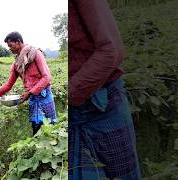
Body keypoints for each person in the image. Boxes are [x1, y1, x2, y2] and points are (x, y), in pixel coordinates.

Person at [69, 0, 141, 179]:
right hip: (72, 112)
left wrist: (70, 92)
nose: (9, 48)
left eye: (10, 44)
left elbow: (111, 50)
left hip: (102, 104)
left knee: (122, 174)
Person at [0, 31, 57, 135]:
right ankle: (38, 148)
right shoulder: (16, 64)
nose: (9, 49)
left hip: (45, 96)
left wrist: (30, 92)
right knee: (36, 126)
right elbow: (8, 84)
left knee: (50, 126)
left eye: (11, 45)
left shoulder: (36, 54)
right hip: (33, 98)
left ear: (18, 42)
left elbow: (47, 77)